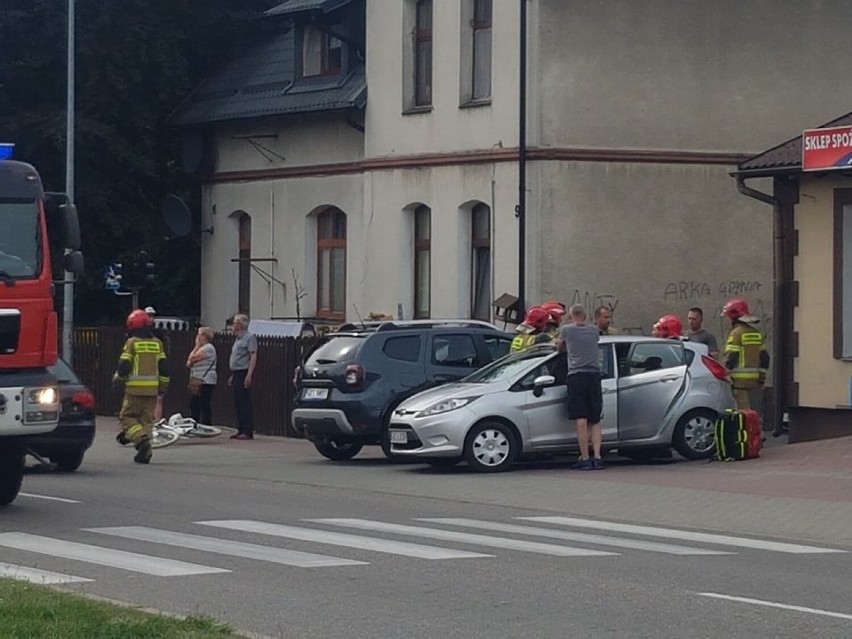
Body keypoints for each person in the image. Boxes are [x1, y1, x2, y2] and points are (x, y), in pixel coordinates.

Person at [113, 309, 169, 464]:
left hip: (133, 389)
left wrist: (118, 381)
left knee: (127, 417)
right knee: (146, 420)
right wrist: (163, 387)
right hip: (152, 390)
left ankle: (140, 441)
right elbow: (164, 368)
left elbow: (124, 365)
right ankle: (145, 450)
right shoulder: (157, 343)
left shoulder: (132, 343)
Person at [557, 304, 604, 470]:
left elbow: (560, 347)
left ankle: (584, 458)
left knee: (581, 420)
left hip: (577, 376)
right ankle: (597, 457)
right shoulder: (594, 330)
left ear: (571, 317)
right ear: (585, 316)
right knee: (595, 419)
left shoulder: (566, 330)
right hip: (594, 376)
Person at [721, 298, 770, 410]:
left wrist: (725, 376)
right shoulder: (756, 334)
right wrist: (761, 376)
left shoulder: (736, 334)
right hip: (756, 383)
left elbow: (730, 358)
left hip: (739, 384)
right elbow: (765, 358)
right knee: (755, 413)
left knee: (742, 413)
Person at [228, 314, 257, 439]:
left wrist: (249, 375)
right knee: (238, 402)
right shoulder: (238, 339)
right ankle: (240, 429)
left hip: (243, 371)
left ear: (240, 325)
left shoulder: (249, 337)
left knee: (244, 402)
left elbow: (253, 356)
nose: (233, 326)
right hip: (236, 372)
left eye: (234, 323)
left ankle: (247, 430)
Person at [186, 326, 217, 427]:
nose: (197, 337)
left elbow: (193, 358)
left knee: (204, 402)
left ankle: (206, 424)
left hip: (206, 379)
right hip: (198, 379)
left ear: (204, 336)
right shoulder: (201, 348)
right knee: (194, 402)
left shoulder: (208, 348)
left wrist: (196, 346)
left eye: (199, 334)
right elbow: (188, 363)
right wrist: (196, 348)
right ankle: (195, 422)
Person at [145, 306, 167, 423]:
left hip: (155, 370)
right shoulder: (138, 333)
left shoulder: (158, 333)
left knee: (158, 398)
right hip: (144, 372)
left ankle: (157, 422)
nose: (151, 318)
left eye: (152, 316)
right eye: (149, 315)